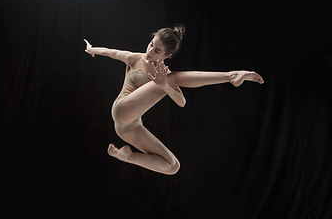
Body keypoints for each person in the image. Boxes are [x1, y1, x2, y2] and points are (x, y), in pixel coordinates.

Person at [84, 25, 264, 175]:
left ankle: (128, 157)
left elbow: (181, 102)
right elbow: (110, 52)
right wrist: (91, 49)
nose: (150, 51)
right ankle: (231, 76)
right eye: (151, 44)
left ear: (167, 56)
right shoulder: (135, 58)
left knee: (172, 166)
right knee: (175, 78)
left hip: (128, 127)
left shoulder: (164, 75)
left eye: (157, 51)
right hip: (122, 108)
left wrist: (164, 86)